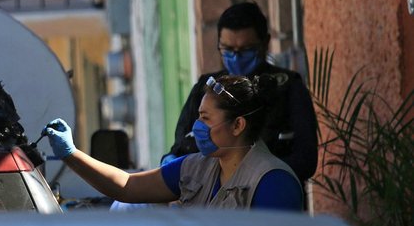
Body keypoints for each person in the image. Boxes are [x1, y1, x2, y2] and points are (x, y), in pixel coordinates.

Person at [46, 74, 303, 210]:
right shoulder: (197, 168)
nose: (197, 127)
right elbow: (127, 186)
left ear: (238, 125)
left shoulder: (273, 183)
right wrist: (71, 154)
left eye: (205, 118)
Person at [164, 2, 318, 185]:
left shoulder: (288, 88)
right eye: (228, 50)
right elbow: (181, 146)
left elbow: (306, 160)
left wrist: (251, 176)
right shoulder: (205, 89)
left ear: (265, 43)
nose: (236, 57)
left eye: (246, 50)